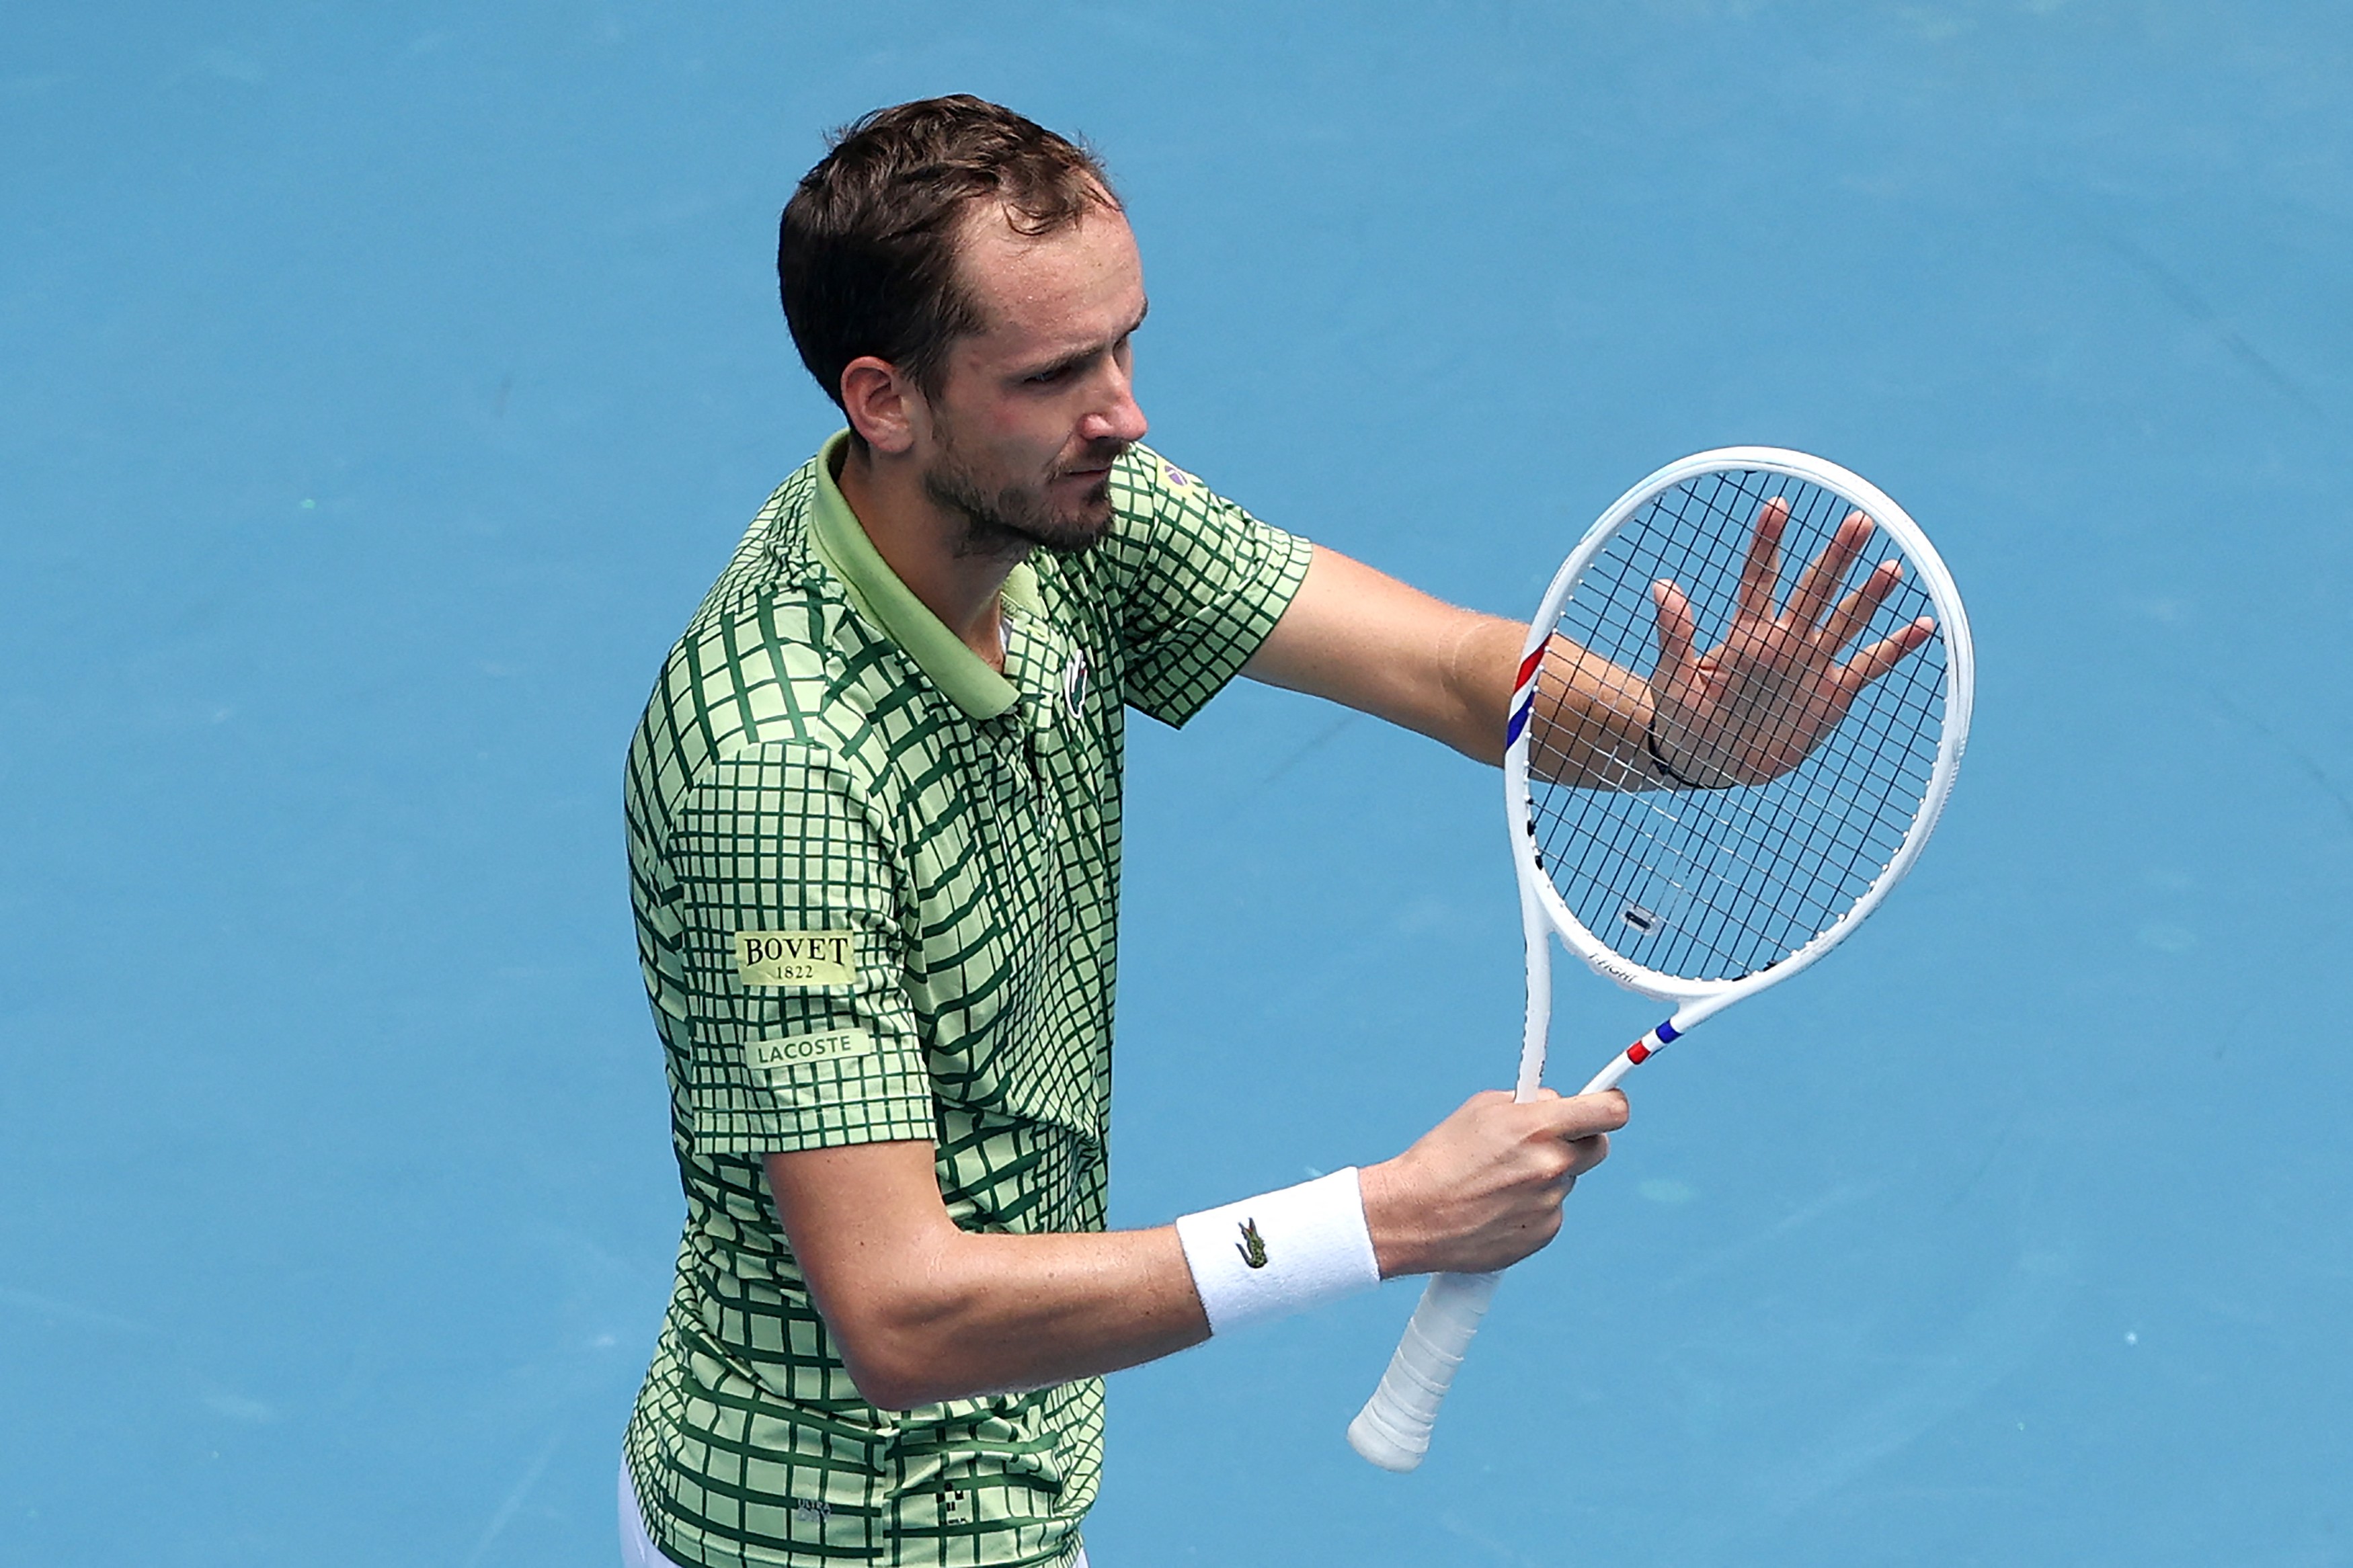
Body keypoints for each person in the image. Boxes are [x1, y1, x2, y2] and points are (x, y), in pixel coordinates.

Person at [616, 95, 1930, 1568]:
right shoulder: (781, 774)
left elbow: (1443, 671)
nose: (1123, 411)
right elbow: (903, 1316)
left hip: (999, 1480)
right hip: (832, 1532)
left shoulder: (1068, 518)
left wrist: (1669, 735)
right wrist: (1389, 1219)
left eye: (1125, 344)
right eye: (1055, 372)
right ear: (885, 402)